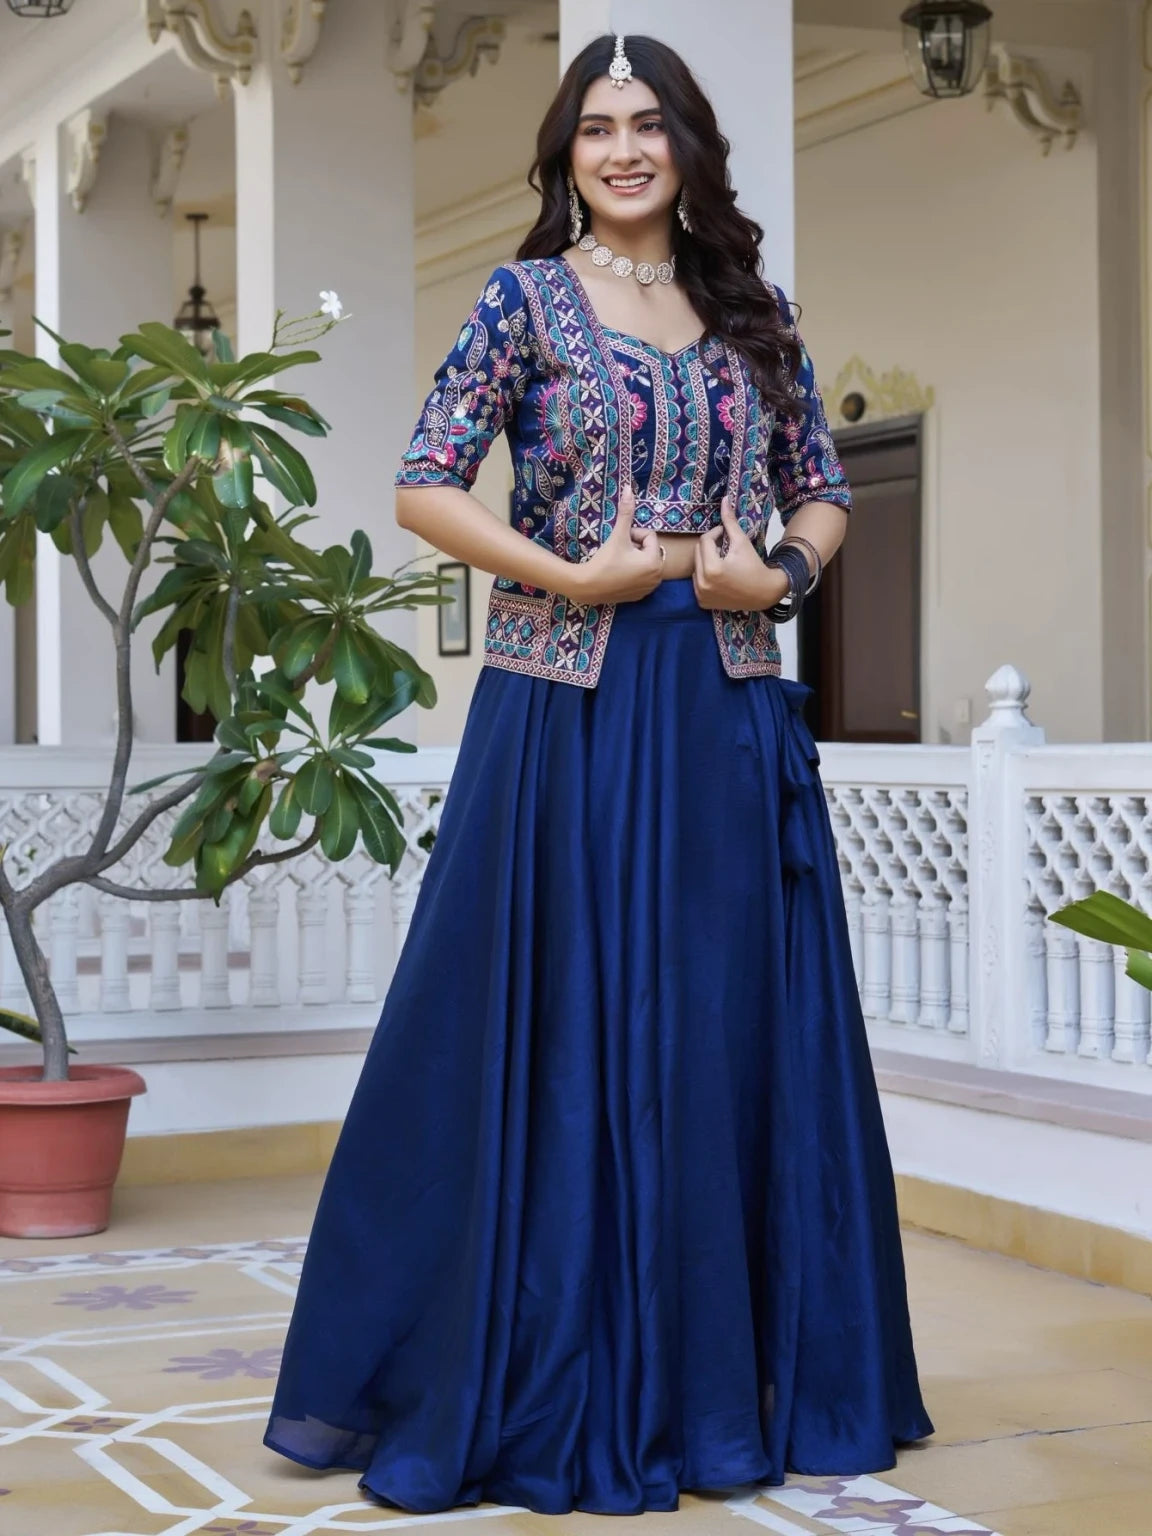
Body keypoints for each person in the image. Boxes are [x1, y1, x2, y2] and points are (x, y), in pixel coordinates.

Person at [264, 32, 934, 1517]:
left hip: (730, 708)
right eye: (597, 127)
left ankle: (726, 1383)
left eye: (650, 124)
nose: (624, 149)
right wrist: (573, 573)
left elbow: (823, 488)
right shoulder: (524, 300)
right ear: (566, 151)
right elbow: (427, 481)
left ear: (690, 144)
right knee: (568, 1027)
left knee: (723, 1023)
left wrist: (783, 577)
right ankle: (562, 1370)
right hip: (569, 710)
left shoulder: (751, 313)